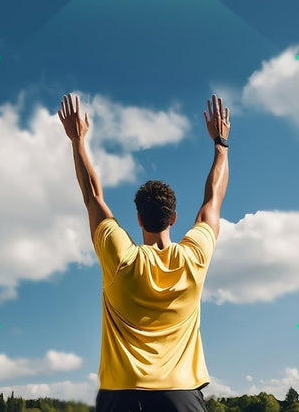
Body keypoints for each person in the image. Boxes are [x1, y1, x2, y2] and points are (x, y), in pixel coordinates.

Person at [57, 93, 231, 412]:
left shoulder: (121, 257)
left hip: (121, 395)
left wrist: (77, 139)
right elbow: (213, 201)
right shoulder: (194, 257)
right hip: (181, 395)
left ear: (138, 218)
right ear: (174, 218)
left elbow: (92, 196)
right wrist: (221, 145)